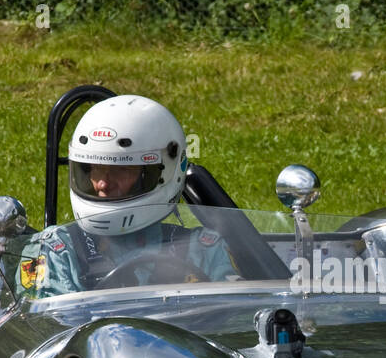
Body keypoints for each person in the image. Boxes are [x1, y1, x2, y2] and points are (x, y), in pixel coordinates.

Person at [16, 95, 239, 297]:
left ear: (163, 173)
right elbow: (46, 329)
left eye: (121, 170)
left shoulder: (203, 249)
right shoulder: (56, 250)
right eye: (95, 168)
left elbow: (232, 322)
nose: (103, 183)